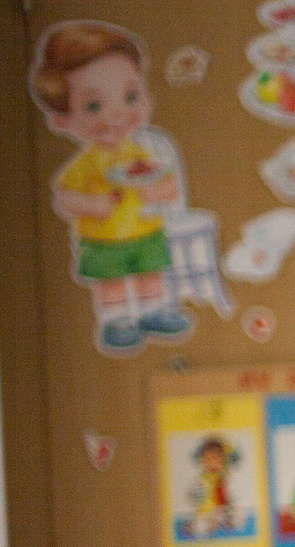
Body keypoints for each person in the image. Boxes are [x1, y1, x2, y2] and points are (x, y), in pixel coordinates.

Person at [29, 20, 191, 354]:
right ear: (62, 120)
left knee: (150, 273)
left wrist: (159, 192)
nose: (118, 114)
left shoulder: (140, 153)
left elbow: (168, 183)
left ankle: (152, 311)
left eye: (131, 95)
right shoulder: (84, 164)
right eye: (94, 106)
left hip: (146, 231)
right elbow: (63, 199)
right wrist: (94, 205)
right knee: (112, 284)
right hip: (103, 240)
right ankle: (117, 321)